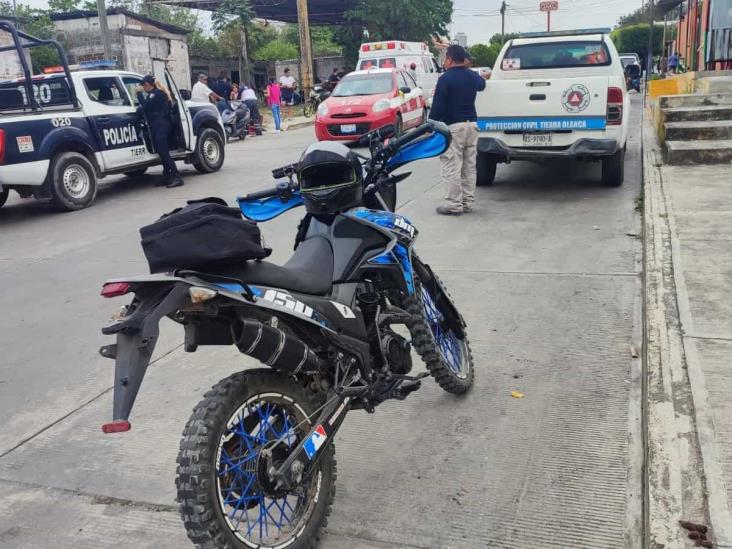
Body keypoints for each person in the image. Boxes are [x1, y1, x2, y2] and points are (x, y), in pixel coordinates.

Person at [428, 44, 488, 216]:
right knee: (469, 166)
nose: (444, 61)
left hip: (454, 127)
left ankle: (454, 205)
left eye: (445, 57)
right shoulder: (473, 76)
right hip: (472, 126)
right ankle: (467, 203)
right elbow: (483, 85)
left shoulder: (445, 78)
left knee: (451, 165)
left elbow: (438, 107)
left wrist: (430, 127)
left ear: (450, 59)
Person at [137, 75, 183, 188]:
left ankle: (177, 176)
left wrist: (138, 94)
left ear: (149, 84)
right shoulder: (152, 94)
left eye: (144, 85)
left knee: (164, 152)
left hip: (161, 125)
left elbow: (145, 106)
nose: (143, 87)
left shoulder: (156, 94)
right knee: (161, 152)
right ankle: (167, 175)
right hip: (157, 125)